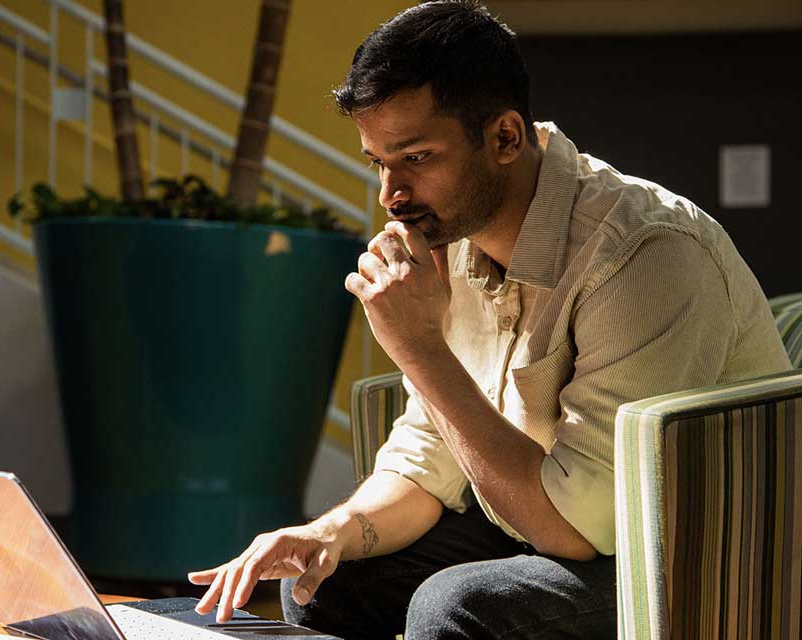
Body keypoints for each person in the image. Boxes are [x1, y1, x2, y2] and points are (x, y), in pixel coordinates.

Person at [187, 2, 792, 638]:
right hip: (558, 518)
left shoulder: (646, 252)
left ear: (505, 137)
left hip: (693, 557)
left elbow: (584, 527)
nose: (390, 193)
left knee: (456, 606)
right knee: (321, 580)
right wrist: (327, 531)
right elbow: (431, 456)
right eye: (379, 161)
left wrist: (419, 350)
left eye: (416, 157)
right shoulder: (454, 240)